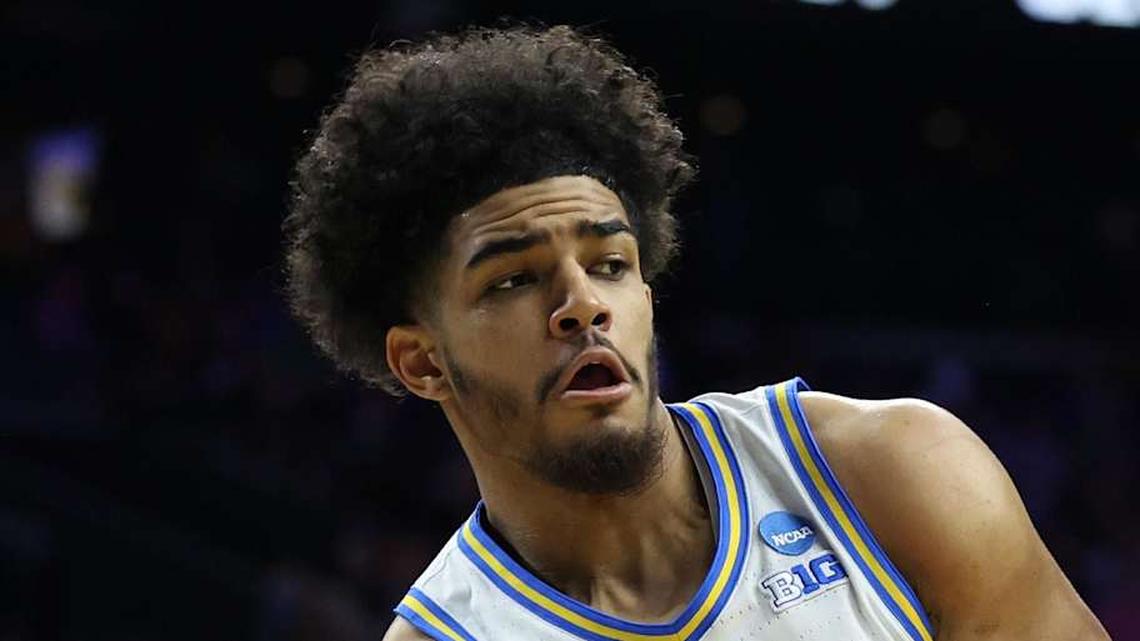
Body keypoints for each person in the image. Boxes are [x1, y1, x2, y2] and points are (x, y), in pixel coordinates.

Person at [283, 25, 1109, 641]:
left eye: (609, 263)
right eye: (513, 279)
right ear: (423, 361)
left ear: (646, 290)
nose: (582, 305)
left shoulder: (891, 471)